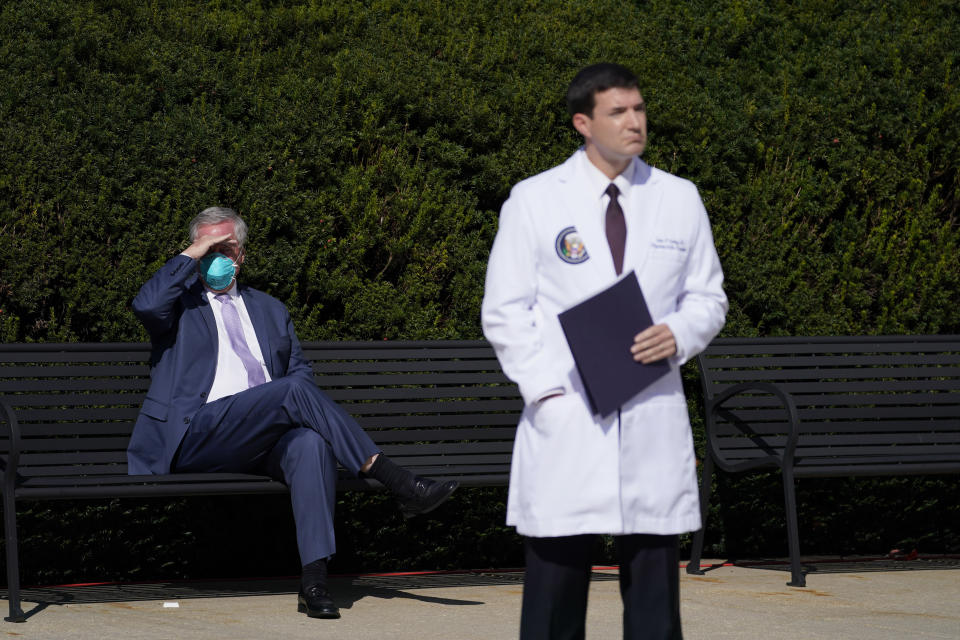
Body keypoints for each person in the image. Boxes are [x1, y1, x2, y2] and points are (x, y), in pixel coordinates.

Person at [481, 63, 727, 639]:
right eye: (618, 112)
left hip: (650, 413)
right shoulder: (536, 200)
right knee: (554, 599)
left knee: (654, 601)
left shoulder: (679, 198)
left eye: (639, 108)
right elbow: (504, 309)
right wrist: (547, 390)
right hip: (568, 418)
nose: (634, 121)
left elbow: (708, 296)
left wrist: (682, 332)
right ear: (582, 123)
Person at [128, 206, 458, 620]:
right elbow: (145, 304)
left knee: (310, 443)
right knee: (292, 393)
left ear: (242, 255)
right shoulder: (179, 306)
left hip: (258, 439)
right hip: (197, 434)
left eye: (225, 247)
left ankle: (315, 581)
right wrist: (194, 252)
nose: (217, 256)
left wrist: (292, 403)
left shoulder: (270, 309)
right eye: (208, 247)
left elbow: (298, 374)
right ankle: (395, 478)